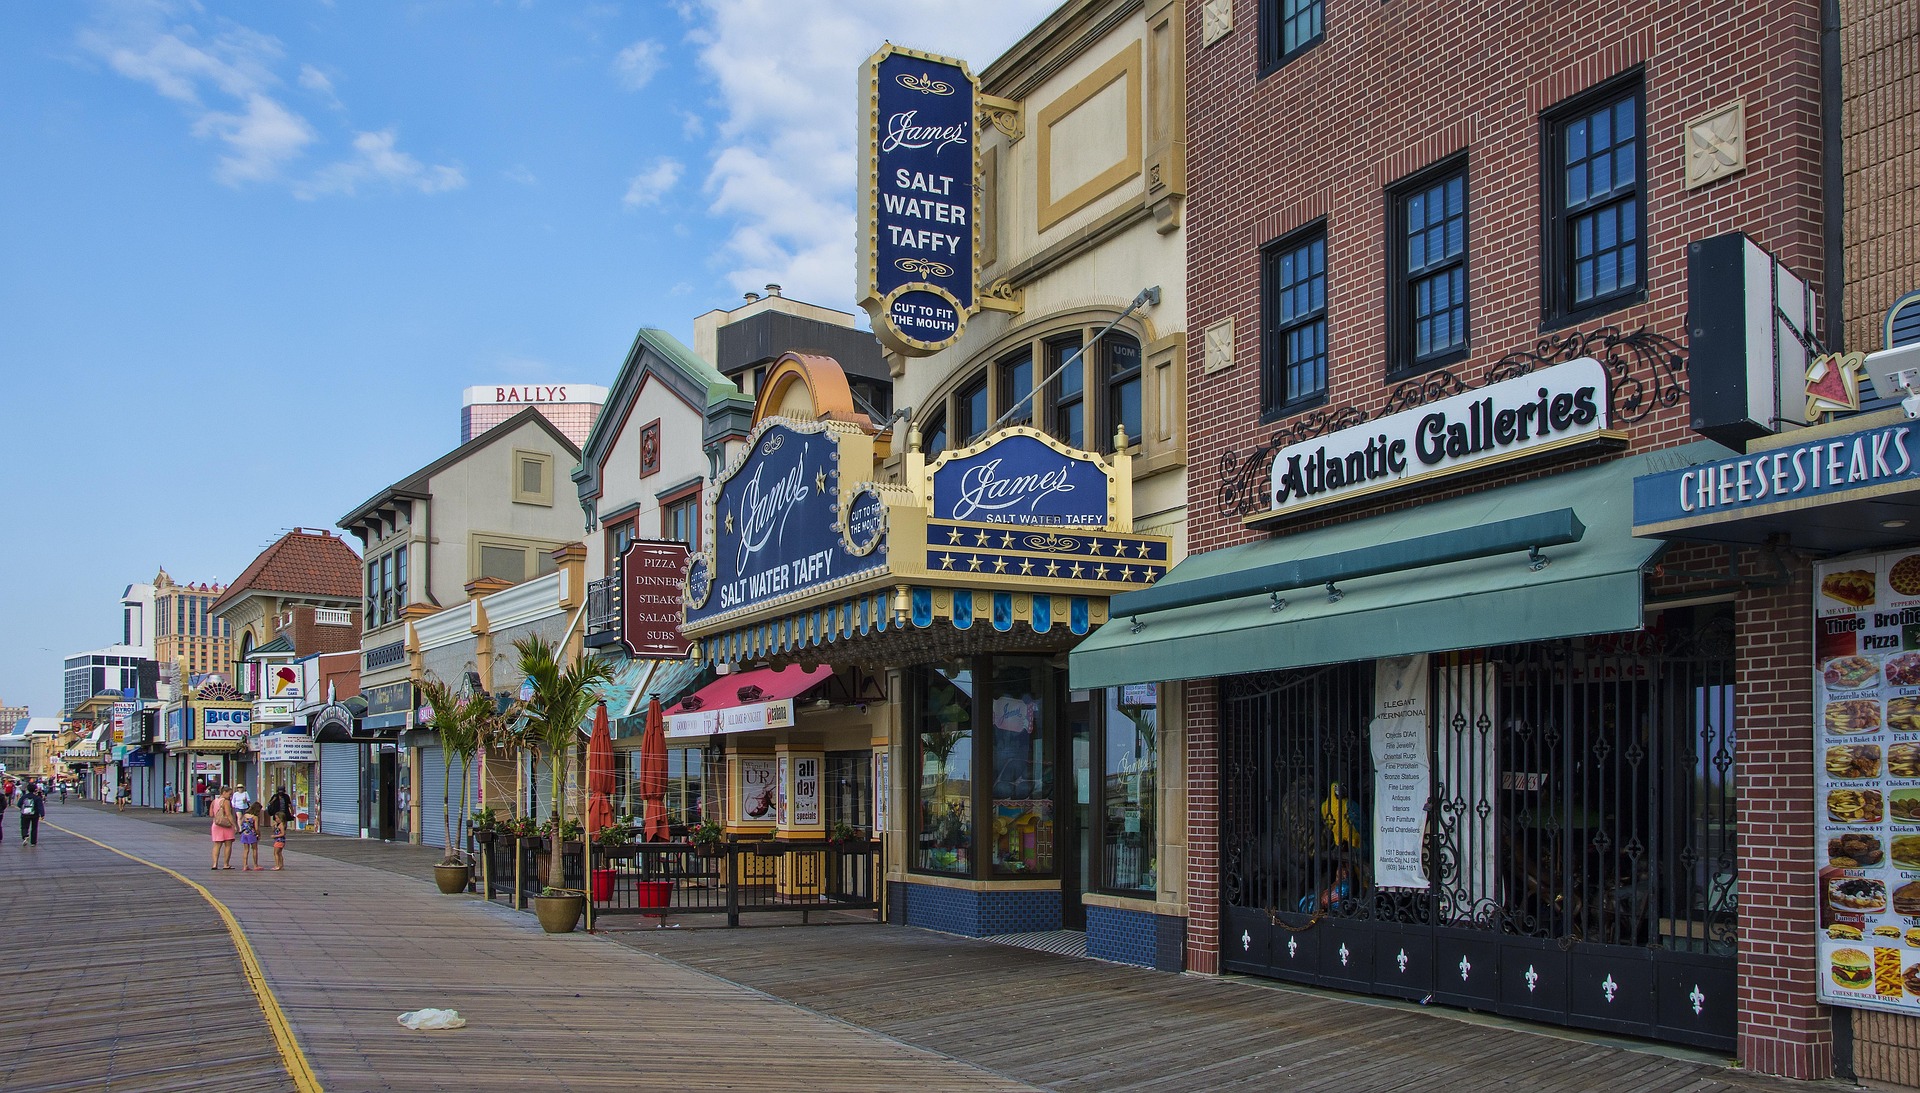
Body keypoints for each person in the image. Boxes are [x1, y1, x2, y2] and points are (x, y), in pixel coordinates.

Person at [210, 787, 237, 870]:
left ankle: (214, 864)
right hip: (226, 825)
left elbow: (211, 814)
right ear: (224, 792)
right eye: (229, 794)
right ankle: (226, 864)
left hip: (216, 824)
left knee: (217, 845)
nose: (230, 796)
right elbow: (228, 814)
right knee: (228, 845)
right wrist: (234, 825)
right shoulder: (226, 802)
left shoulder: (214, 801)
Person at [238, 805, 261, 871]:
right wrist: (258, 834)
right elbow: (256, 828)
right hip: (252, 834)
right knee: (254, 849)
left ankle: (245, 865)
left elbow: (241, 822)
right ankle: (255, 865)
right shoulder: (255, 817)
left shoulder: (245, 815)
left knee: (246, 850)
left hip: (244, 833)